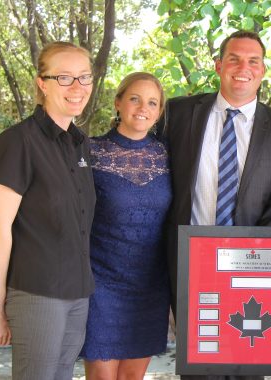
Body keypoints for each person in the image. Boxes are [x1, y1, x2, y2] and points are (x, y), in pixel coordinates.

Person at [156, 30, 271, 380]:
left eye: (253, 61)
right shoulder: (177, 114)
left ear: (264, 70)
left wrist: (248, 257)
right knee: (196, 364)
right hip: (188, 262)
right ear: (218, 65)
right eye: (235, 59)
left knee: (246, 363)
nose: (244, 68)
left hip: (251, 265)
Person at [0, 41, 96, 380]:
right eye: (64, 77)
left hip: (79, 292)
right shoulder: (18, 141)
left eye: (84, 77)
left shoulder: (80, 143)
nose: (76, 88)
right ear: (42, 83)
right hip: (37, 293)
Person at [79, 72, 172, 379]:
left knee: (133, 376)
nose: (142, 107)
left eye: (152, 102)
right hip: (100, 282)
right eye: (134, 98)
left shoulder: (168, 156)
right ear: (118, 102)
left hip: (149, 284)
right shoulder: (89, 151)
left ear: (158, 112)